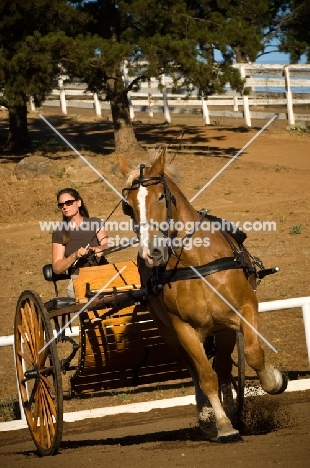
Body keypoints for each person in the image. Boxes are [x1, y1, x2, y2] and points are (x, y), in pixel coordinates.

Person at [52, 187, 109, 297]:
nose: (64, 206)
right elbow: (57, 268)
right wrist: (74, 256)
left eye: (68, 202)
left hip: (103, 271)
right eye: (61, 205)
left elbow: (106, 244)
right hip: (79, 277)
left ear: (79, 202)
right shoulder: (59, 232)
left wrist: (99, 249)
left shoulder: (96, 223)